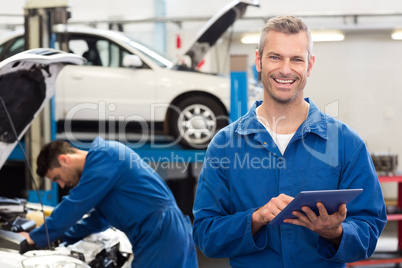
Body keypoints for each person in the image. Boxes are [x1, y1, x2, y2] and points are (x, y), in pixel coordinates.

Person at [192, 15, 387, 267]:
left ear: (310, 65)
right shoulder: (224, 146)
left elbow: (370, 229)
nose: (285, 69)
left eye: (296, 59)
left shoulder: (346, 144)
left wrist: (335, 233)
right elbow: (205, 234)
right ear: (258, 61)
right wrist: (255, 219)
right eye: (275, 57)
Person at [20, 136, 198, 268]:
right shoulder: (102, 169)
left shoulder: (103, 157)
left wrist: (35, 237)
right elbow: (98, 220)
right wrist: (61, 238)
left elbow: (75, 204)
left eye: (57, 177)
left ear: (64, 159)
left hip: (160, 234)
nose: (62, 184)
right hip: (167, 232)